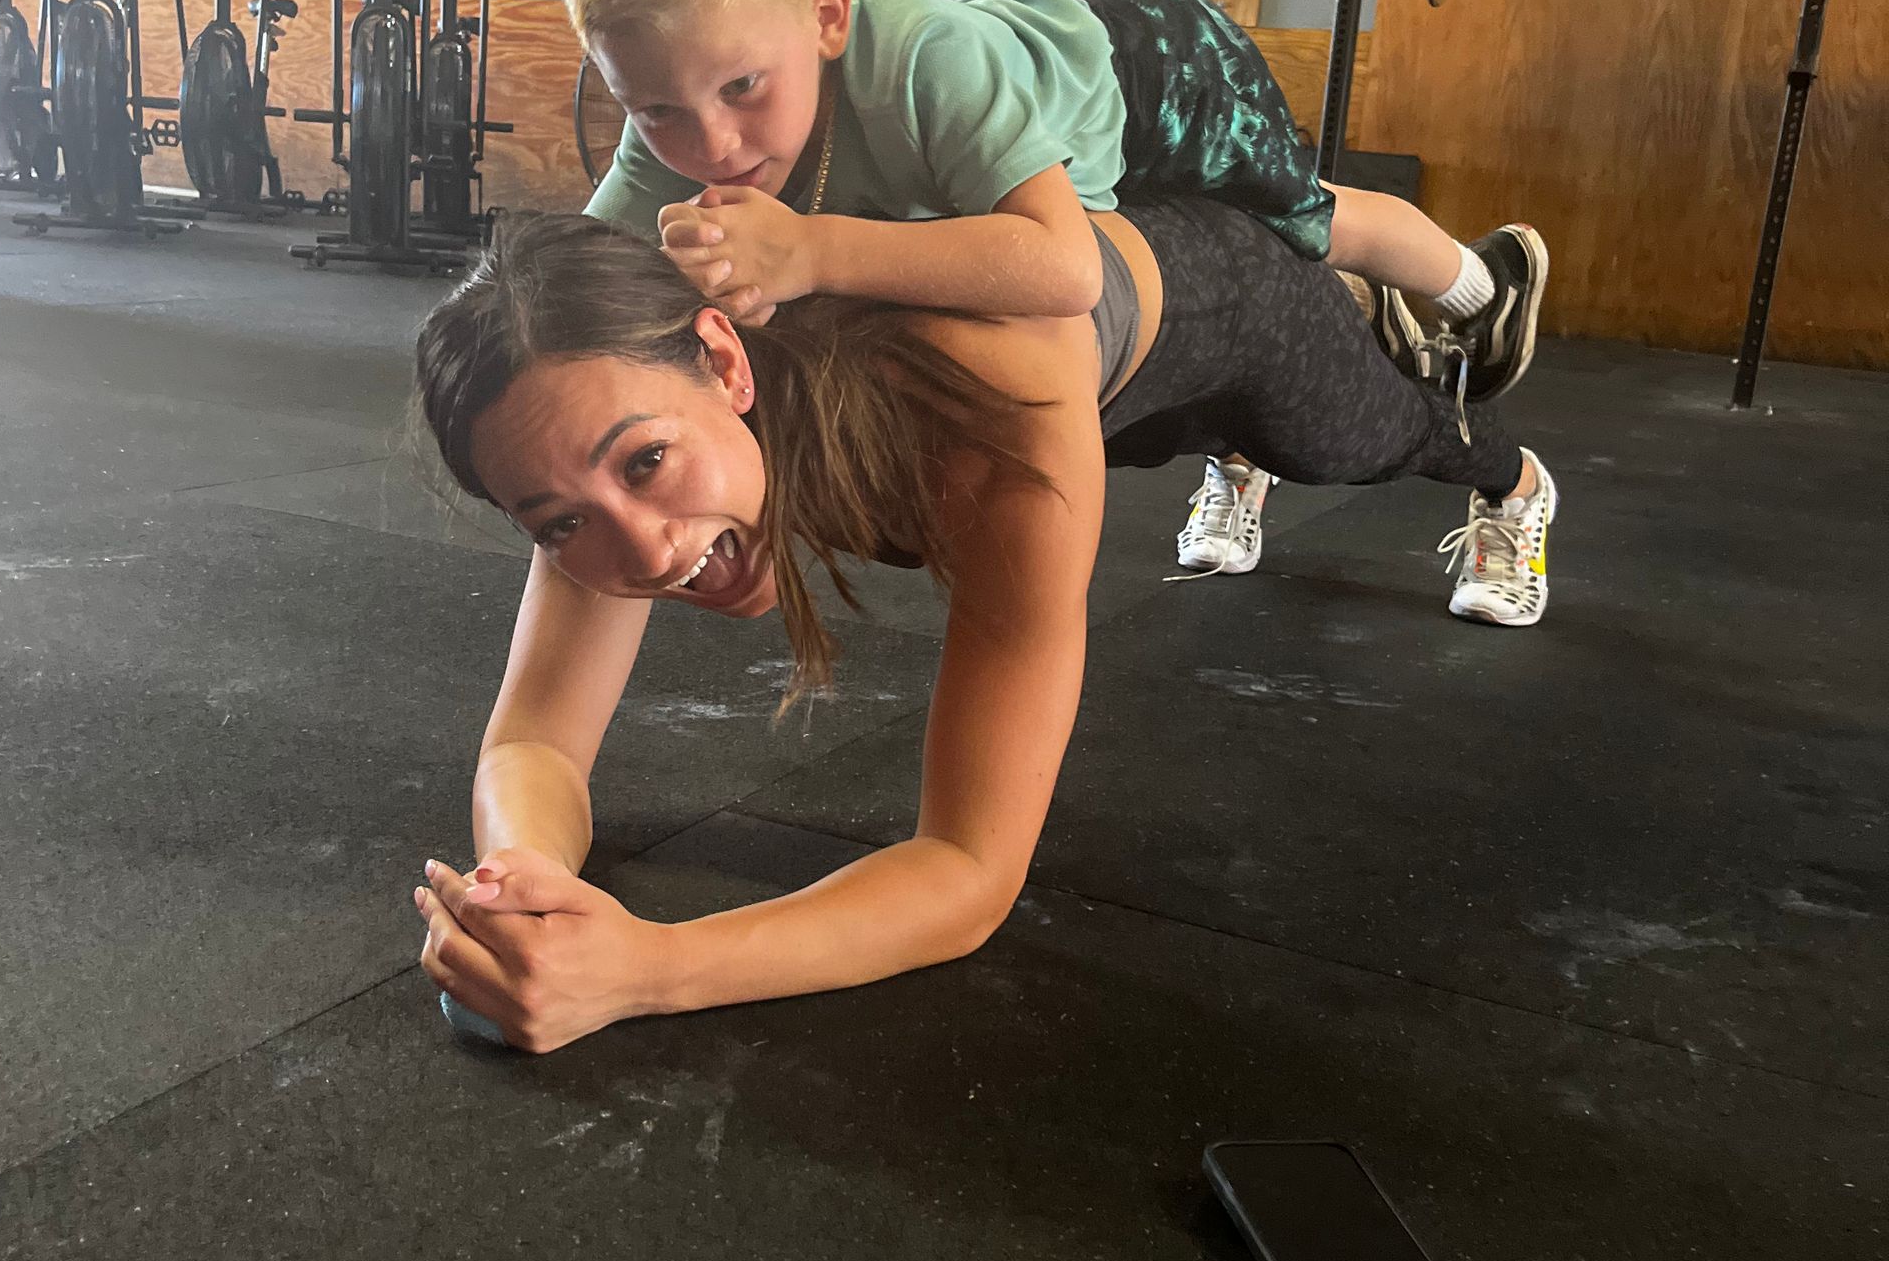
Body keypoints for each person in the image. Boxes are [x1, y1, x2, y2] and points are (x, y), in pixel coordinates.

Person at [408, 203, 1556, 1052]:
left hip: (1219, 303)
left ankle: (1503, 469)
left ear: (720, 357)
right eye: (561, 523)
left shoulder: (983, 408)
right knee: (1143, 435)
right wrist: (524, 880)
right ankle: (1231, 451)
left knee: (1359, 440)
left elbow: (967, 868)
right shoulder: (587, 413)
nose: (646, 551)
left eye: (648, 463)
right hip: (1104, 399)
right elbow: (534, 747)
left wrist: (649, 967)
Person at [549, 0, 1547, 585]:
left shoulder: (915, 62)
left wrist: (810, 252)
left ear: (826, 16)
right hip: (1035, 85)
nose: (711, 143)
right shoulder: (671, 141)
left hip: (1156, 69)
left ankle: (1477, 285)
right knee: (1237, 292)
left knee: (1309, 225)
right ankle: (1247, 448)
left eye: (742, 89)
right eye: (659, 113)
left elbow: (1065, 267)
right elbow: (564, 297)